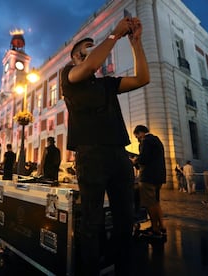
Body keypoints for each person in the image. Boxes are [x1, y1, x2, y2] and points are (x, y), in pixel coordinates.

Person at [60, 15, 149, 275]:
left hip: (119, 155)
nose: (93, 50)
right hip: (91, 155)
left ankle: (122, 265)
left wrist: (136, 43)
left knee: (125, 219)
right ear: (76, 55)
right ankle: (90, 269)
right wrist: (113, 34)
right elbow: (88, 67)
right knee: (92, 220)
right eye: (87, 47)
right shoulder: (69, 75)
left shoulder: (107, 84)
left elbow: (143, 78)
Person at [133, 125, 166, 241]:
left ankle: (155, 230)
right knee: (156, 202)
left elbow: (144, 159)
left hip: (148, 177)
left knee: (149, 204)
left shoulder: (145, 141)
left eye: (136, 135)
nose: (137, 138)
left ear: (140, 133)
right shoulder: (156, 140)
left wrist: (134, 160)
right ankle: (162, 227)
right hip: (158, 177)